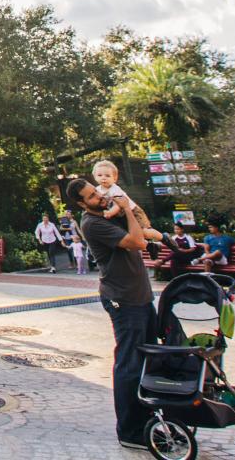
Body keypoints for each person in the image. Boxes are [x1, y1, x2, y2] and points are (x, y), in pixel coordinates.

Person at [69, 176, 163, 451]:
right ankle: (130, 430)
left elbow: (143, 232)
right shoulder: (93, 223)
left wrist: (124, 209)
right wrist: (126, 210)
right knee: (129, 364)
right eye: (91, 196)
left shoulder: (108, 213)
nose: (98, 196)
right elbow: (137, 242)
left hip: (140, 296)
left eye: (96, 191)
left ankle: (149, 421)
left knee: (149, 359)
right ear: (81, 204)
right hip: (123, 299)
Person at [93, 160, 152, 231]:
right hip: (123, 215)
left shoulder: (115, 189)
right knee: (133, 232)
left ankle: (161, 236)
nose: (103, 178)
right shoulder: (97, 190)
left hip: (134, 212)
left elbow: (119, 205)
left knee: (144, 231)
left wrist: (110, 213)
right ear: (95, 177)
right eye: (99, 175)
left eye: (107, 176)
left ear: (114, 179)